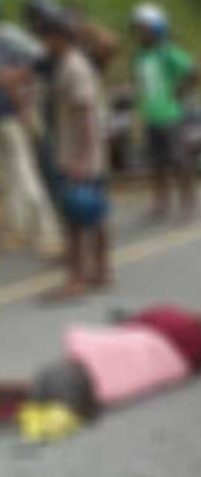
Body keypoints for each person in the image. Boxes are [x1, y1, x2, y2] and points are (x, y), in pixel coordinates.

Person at [40, 12, 110, 299]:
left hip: (77, 156)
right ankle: (101, 270)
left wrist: (81, 158)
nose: (44, 44)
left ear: (58, 37)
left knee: (75, 220)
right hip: (86, 154)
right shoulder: (72, 64)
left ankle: (76, 279)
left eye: (46, 38)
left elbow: (85, 114)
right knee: (94, 213)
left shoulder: (73, 67)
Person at [131, 3, 200, 220]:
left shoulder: (167, 52)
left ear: (157, 28)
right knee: (157, 163)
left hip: (171, 115)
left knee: (179, 161)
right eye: (137, 29)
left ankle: (187, 202)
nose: (140, 33)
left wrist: (180, 91)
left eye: (144, 29)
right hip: (151, 115)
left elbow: (194, 71)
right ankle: (161, 201)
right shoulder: (141, 56)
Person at [0, 19, 62, 257]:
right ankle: (20, 230)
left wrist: (23, 105)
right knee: (10, 179)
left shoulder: (7, 40)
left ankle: (46, 232)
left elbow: (17, 75)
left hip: (9, 117)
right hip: (9, 116)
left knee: (25, 176)